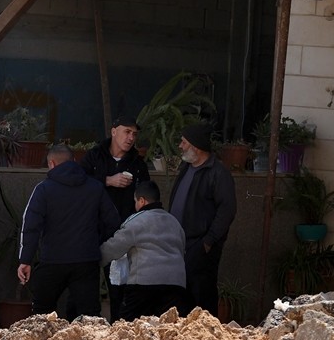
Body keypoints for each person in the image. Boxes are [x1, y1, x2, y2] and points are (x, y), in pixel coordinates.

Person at [18, 143, 119, 319]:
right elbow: (113, 222)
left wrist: (25, 260)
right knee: (90, 317)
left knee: (42, 314)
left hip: (52, 260)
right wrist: (96, 245)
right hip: (86, 261)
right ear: (74, 160)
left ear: (52, 164)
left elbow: (31, 226)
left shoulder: (43, 189)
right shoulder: (95, 187)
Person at [81, 115, 151, 318]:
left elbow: (146, 196)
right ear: (114, 131)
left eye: (134, 134)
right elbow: (79, 183)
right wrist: (107, 180)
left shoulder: (138, 164)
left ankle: (119, 328)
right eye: (127, 132)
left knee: (120, 288)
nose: (131, 138)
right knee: (86, 286)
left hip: (123, 235)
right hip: (91, 231)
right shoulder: (94, 156)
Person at [168, 122, 236, 314]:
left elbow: (227, 210)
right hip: (180, 244)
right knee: (181, 296)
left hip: (201, 245)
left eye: (183, 142)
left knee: (202, 296)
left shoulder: (218, 173)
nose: (180, 146)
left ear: (195, 146)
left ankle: (206, 339)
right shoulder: (187, 167)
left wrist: (208, 241)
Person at [100, 179, 186, 320]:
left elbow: (113, 248)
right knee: (168, 331)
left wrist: (93, 260)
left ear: (141, 201)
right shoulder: (174, 222)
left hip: (144, 284)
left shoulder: (136, 221)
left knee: (129, 327)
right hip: (176, 284)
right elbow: (182, 250)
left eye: (135, 201)